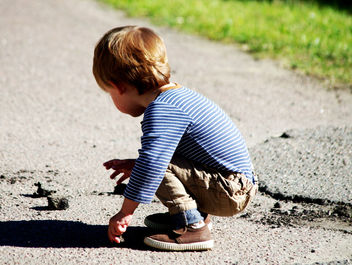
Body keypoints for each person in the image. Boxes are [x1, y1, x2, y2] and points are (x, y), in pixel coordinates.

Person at [92, 25, 258, 251]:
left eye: (109, 93)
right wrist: (138, 166)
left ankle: (193, 227)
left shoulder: (162, 110)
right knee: (155, 162)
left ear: (118, 87)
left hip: (230, 191)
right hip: (236, 184)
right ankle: (194, 215)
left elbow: (153, 164)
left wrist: (125, 213)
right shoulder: (177, 97)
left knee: (156, 165)